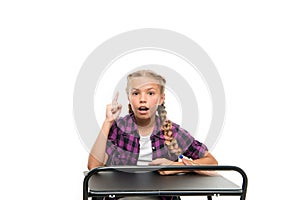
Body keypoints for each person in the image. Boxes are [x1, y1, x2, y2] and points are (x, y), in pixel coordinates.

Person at [88, 69, 218, 200]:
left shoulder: (171, 130)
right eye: (136, 93)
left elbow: (211, 161)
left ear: (161, 99)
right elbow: (93, 166)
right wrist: (108, 121)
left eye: (150, 93)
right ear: (129, 98)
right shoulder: (118, 128)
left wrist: (176, 167)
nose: (143, 99)